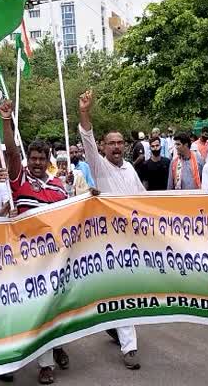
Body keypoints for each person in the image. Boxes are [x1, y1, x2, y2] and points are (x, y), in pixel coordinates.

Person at [0, 100, 70, 384]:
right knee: (23, 311)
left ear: (49, 160)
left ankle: (47, 361)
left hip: (53, 260)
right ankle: (15, 359)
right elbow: (11, 151)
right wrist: (7, 119)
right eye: (34, 158)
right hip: (24, 260)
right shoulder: (19, 180)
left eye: (42, 158)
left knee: (50, 309)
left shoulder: (58, 187)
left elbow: (72, 218)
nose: (38, 162)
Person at [78, 89, 141, 370]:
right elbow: (87, 141)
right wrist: (84, 112)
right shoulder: (100, 167)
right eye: (110, 143)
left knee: (129, 292)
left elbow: (145, 201)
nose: (116, 147)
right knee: (125, 291)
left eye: (119, 143)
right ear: (103, 147)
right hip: (111, 244)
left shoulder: (130, 169)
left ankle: (115, 326)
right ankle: (129, 347)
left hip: (135, 241)